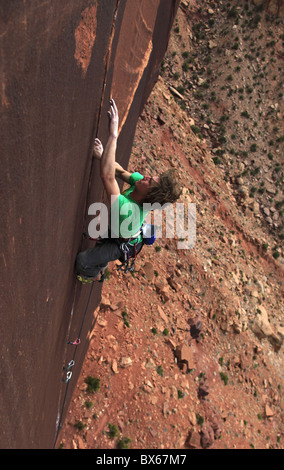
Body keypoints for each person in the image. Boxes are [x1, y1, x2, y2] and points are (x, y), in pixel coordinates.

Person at [76, 99, 181, 282]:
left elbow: (107, 176)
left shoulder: (130, 211)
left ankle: (94, 274)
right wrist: (101, 155)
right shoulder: (140, 184)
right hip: (121, 229)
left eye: (150, 182)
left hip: (121, 242)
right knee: (102, 237)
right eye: (151, 177)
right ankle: (101, 257)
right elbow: (120, 172)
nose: (146, 177)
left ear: (148, 196)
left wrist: (113, 135)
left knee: (83, 261)